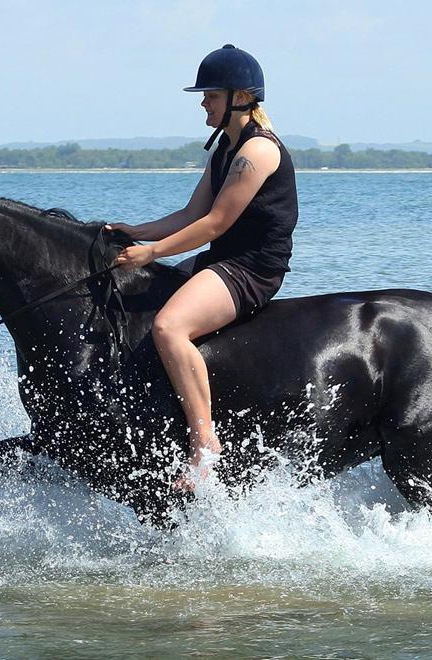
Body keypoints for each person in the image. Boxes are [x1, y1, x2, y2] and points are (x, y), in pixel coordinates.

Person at [108, 44, 299, 491]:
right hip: (221, 259)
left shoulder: (259, 152)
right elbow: (191, 213)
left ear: (239, 97)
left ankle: (203, 444)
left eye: (210, 95)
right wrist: (133, 231)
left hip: (251, 269)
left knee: (169, 327)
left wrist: (152, 254)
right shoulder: (225, 149)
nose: (202, 103)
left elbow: (216, 222)